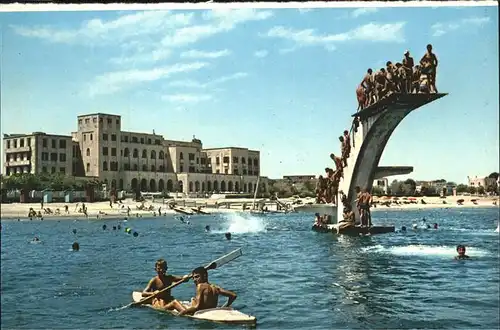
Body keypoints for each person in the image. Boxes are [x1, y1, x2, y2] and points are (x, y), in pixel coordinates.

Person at [166, 266, 237, 316]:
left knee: (174, 302)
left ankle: (158, 309)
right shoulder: (216, 287)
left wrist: (182, 313)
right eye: (193, 278)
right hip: (212, 310)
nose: (194, 280)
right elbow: (233, 295)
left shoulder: (200, 286)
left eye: (197, 277)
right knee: (193, 299)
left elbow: (197, 307)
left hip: (200, 312)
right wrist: (224, 307)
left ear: (205, 276)